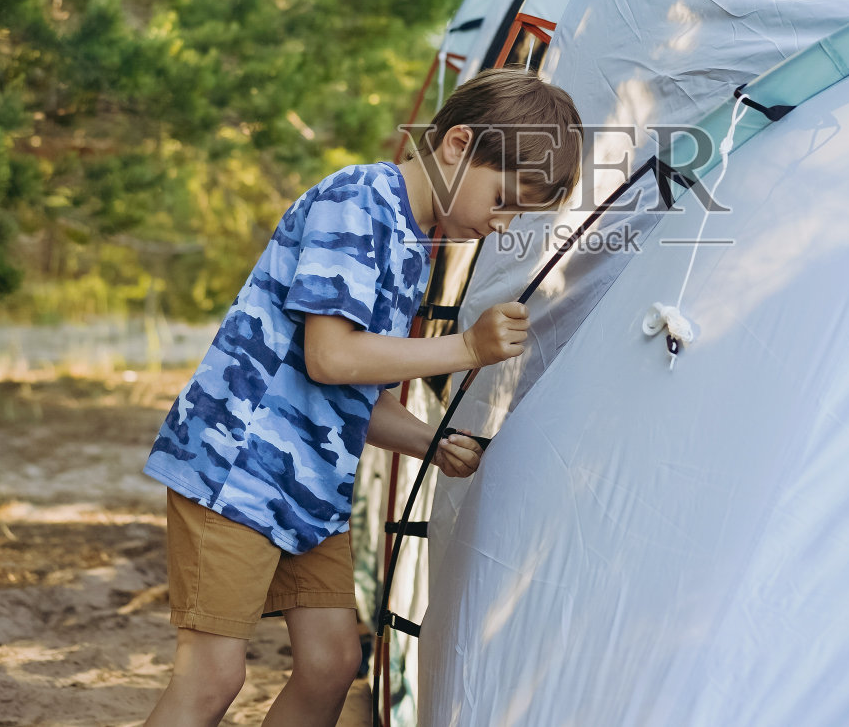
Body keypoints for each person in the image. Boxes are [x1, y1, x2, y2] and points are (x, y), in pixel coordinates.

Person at [139, 67, 583, 727]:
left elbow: (351, 391)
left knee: (330, 662)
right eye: (505, 197)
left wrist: (430, 443)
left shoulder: (414, 241)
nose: (503, 221)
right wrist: (467, 350)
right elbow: (332, 354)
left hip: (307, 481)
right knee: (211, 676)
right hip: (235, 466)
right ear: (459, 144)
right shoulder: (359, 201)